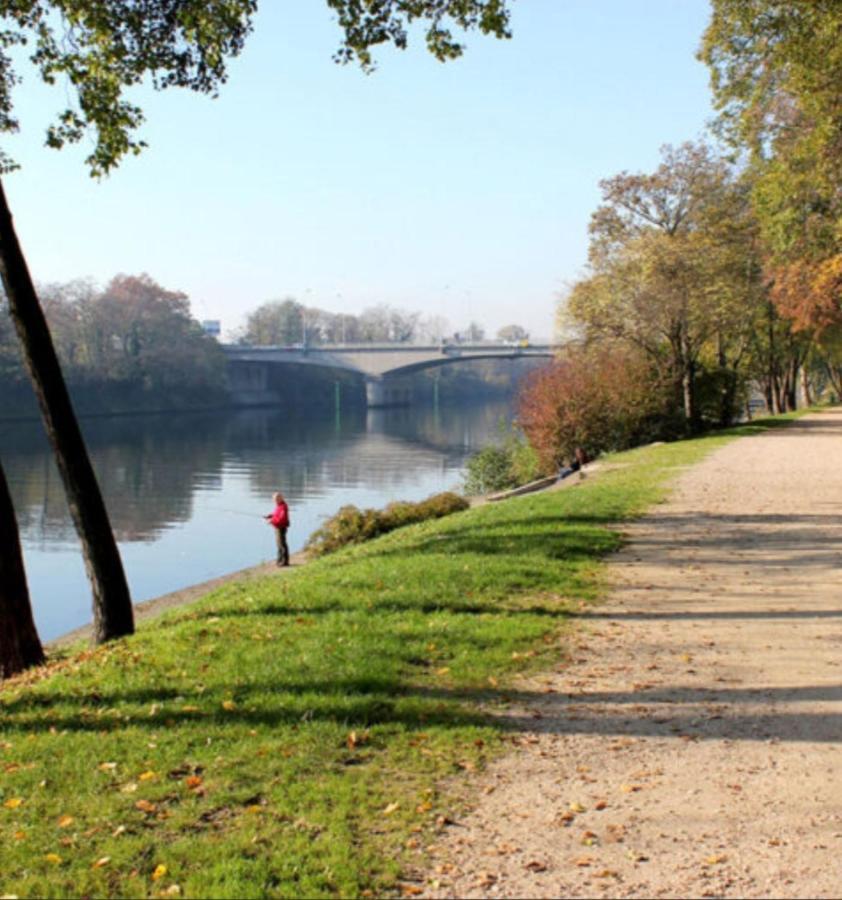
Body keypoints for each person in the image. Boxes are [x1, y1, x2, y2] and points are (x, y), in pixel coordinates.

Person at [265, 492, 290, 567]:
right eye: (274, 499)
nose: (275, 500)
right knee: (279, 544)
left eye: (277, 498)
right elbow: (276, 514)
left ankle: (284, 561)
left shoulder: (283, 506)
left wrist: (272, 521)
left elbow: (282, 518)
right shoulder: (279, 506)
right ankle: (279, 560)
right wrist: (270, 516)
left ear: (281, 498)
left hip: (281, 528)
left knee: (282, 544)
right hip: (277, 527)